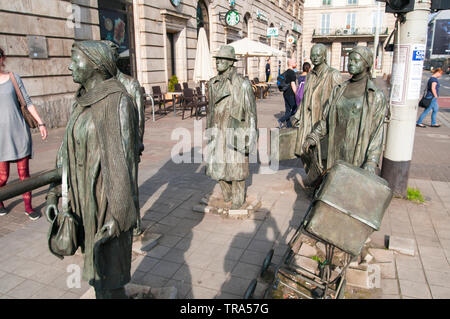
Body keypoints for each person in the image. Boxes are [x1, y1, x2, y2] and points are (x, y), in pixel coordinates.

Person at [45, 41, 140, 299]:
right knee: (97, 275)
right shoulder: (81, 102)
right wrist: (54, 195)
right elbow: (65, 152)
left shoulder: (118, 101)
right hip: (84, 204)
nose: (70, 66)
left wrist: (119, 216)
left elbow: (127, 165)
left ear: (96, 64)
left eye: (76, 60)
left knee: (110, 280)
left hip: (107, 206)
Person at [303, 46, 387, 177]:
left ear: (366, 64)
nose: (351, 63)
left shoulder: (375, 95)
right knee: (332, 187)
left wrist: (372, 160)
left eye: (356, 60)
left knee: (351, 191)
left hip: (357, 154)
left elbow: (377, 132)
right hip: (335, 151)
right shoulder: (339, 89)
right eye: (350, 60)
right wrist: (313, 136)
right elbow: (326, 120)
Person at [206, 45, 258, 209]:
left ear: (230, 63)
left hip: (236, 129)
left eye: (222, 60)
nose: (218, 62)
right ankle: (226, 195)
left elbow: (251, 113)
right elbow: (211, 110)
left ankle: (237, 197)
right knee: (218, 166)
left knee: (236, 166)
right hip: (217, 129)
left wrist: (251, 136)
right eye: (217, 59)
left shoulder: (242, 84)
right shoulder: (212, 83)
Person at [0, 46, 48, 220]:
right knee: (3, 176)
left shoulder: (13, 78)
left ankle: (28, 207)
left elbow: (27, 102)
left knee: (24, 175)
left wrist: (40, 123)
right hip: (1, 137)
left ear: (2, 58)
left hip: (19, 131)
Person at [103, 40, 145, 236]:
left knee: (130, 186)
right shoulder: (101, 86)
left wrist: (138, 144)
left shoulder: (130, 84)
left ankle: (134, 223)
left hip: (128, 145)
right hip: (107, 145)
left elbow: (139, 120)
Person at [292, 44, 342, 186]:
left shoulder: (333, 75)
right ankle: (312, 179)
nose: (314, 58)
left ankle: (321, 184)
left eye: (318, 55)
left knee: (321, 156)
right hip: (308, 120)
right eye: (313, 55)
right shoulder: (310, 75)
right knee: (304, 151)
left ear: (324, 56)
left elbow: (338, 101)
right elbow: (305, 97)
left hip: (322, 121)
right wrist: (297, 115)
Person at [278, 58, 298, 128]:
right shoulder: (292, 73)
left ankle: (288, 125)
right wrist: (296, 94)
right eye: (295, 62)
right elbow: (293, 84)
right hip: (291, 94)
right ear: (291, 64)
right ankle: (281, 120)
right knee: (295, 109)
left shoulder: (286, 72)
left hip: (285, 93)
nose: (296, 64)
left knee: (288, 110)